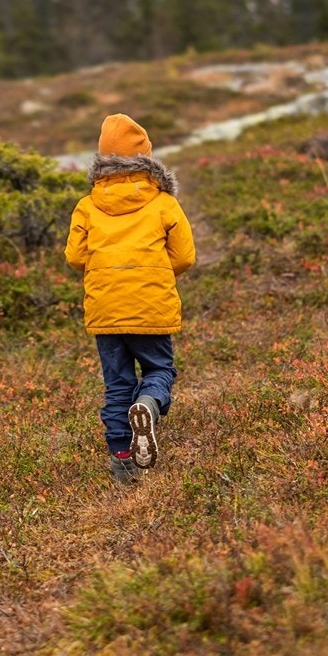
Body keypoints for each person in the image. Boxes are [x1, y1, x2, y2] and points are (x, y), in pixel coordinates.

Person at [64, 113, 196, 485]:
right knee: (159, 370)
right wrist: (151, 270)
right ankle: (149, 406)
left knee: (117, 383)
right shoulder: (163, 203)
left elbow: (75, 257)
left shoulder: (87, 206)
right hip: (151, 304)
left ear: (102, 159)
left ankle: (123, 464)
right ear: (146, 158)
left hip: (105, 309)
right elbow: (184, 257)